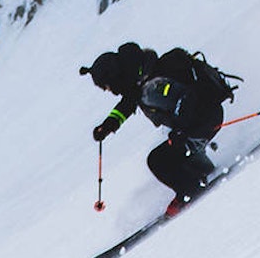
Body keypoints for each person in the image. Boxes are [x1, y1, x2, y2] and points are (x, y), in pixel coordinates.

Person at [80, 42, 229, 217]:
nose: (109, 91)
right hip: (201, 119)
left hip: (205, 119)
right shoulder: (140, 79)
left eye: (106, 86)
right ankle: (203, 171)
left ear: (114, 78)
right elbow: (128, 103)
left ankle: (191, 191)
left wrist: (180, 130)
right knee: (173, 150)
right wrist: (108, 125)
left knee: (158, 160)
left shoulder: (150, 86)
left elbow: (186, 97)